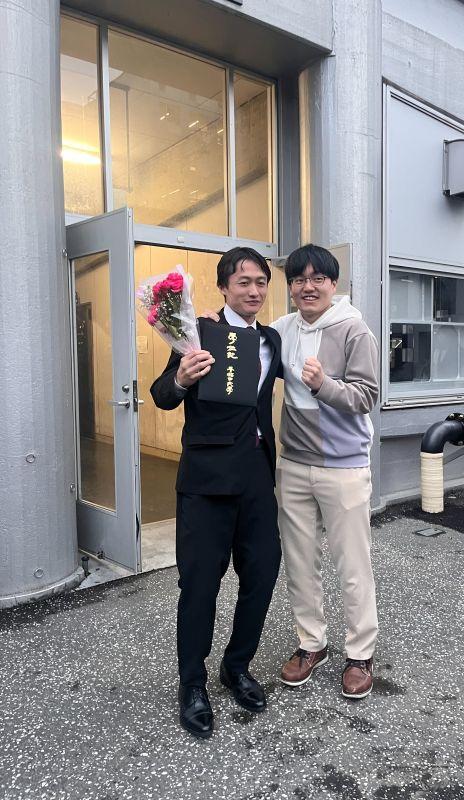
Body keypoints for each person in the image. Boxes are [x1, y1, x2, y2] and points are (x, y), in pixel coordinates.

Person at [150, 247, 282, 740]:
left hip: (256, 477)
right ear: (224, 287)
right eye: (243, 282)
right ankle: (192, 684)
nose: (254, 290)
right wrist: (181, 378)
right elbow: (162, 394)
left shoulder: (270, 339)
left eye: (261, 282)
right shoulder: (197, 332)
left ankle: (236, 665)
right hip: (206, 480)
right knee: (200, 585)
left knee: (262, 573)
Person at [272, 244, 379, 700]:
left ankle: (361, 653)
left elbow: (366, 396)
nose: (307, 287)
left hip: (344, 465)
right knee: (299, 562)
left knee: (353, 564)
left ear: (334, 284)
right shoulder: (281, 330)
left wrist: (323, 386)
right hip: (293, 463)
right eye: (298, 279)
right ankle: (311, 643)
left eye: (318, 278)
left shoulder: (354, 330)